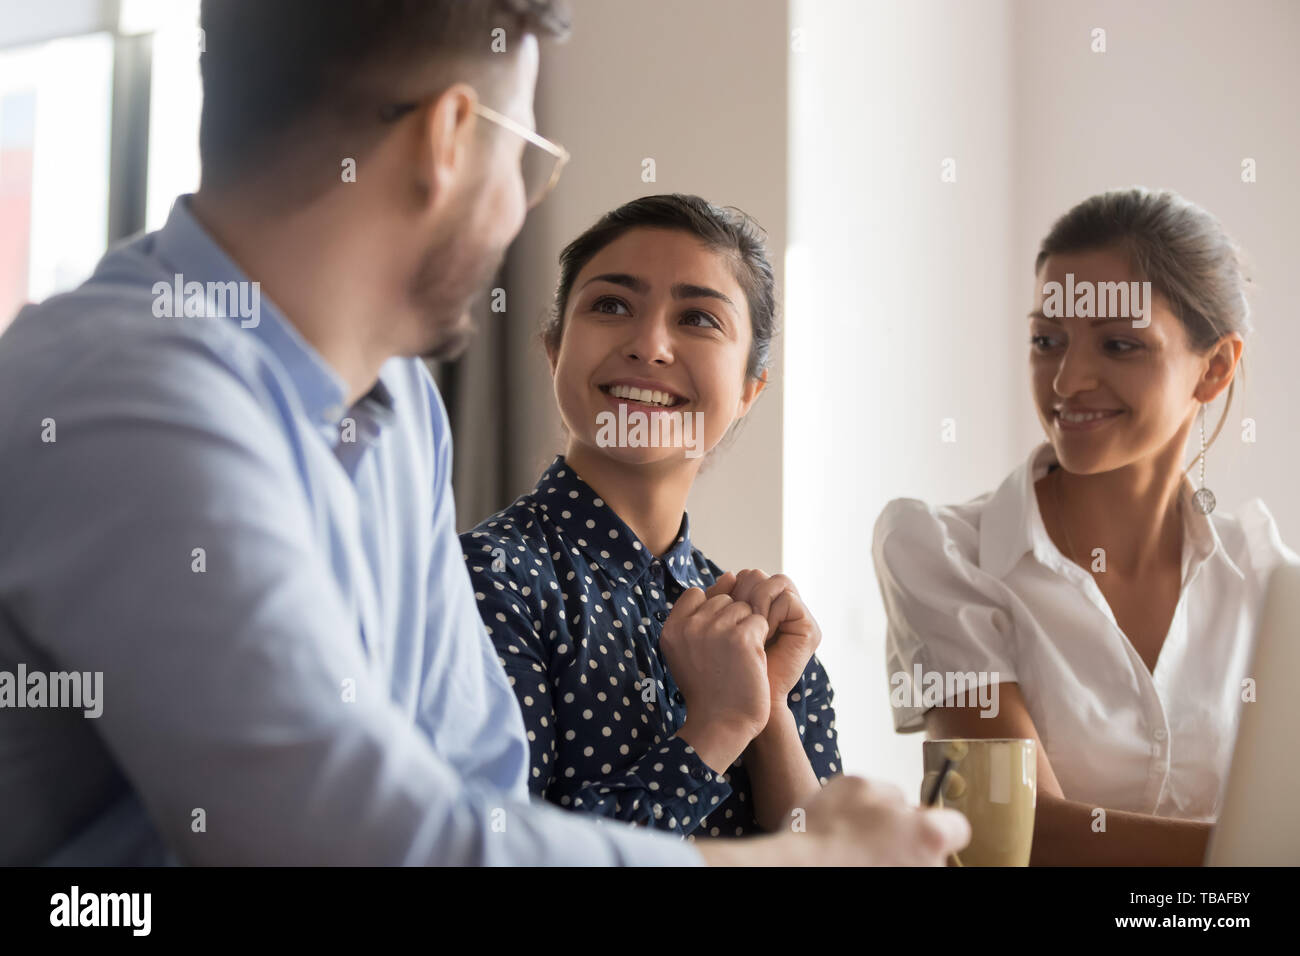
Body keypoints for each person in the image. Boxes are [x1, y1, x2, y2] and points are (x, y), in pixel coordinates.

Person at [0, 0, 968, 866]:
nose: (522, 202)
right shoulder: (128, 394)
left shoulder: (402, 408)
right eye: (528, 159)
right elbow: (356, 838)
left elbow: (478, 795)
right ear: (451, 138)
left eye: (701, 318)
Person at [873, 187, 1296, 865]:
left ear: (1213, 369)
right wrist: (1256, 852)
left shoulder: (1267, 577)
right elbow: (1009, 835)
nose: (1067, 380)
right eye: (1047, 340)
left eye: (1120, 345)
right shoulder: (941, 551)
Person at [462, 195, 837, 839]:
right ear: (554, 349)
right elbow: (496, 853)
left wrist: (770, 709)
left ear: (750, 390)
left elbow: (834, 857)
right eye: (611, 306)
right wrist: (715, 729)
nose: (650, 345)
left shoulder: (774, 636)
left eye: (698, 317)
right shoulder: (485, 581)